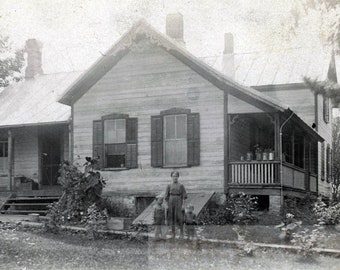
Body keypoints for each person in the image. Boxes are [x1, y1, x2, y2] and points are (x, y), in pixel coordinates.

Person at [165, 171, 187, 239]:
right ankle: (173, 233)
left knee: (179, 217)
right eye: (173, 176)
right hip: (171, 201)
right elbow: (166, 196)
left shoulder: (181, 185)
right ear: (171, 177)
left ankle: (181, 233)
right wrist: (167, 205)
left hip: (179, 201)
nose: (175, 177)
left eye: (176, 176)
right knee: (172, 217)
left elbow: (184, 196)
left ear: (178, 177)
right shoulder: (169, 185)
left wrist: (183, 205)